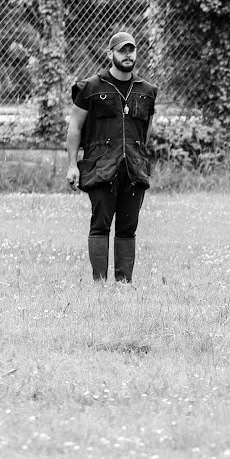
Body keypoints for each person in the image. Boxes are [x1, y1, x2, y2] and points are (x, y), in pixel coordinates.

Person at [65, 31, 157, 283]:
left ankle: (124, 284)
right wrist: (72, 165)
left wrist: (137, 156)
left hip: (134, 168)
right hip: (101, 166)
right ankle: (99, 283)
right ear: (110, 54)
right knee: (100, 225)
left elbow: (146, 131)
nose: (128, 55)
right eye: (122, 50)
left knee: (128, 227)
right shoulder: (90, 88)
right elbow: (74, 127)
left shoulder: (147, 91)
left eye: (131, 50)